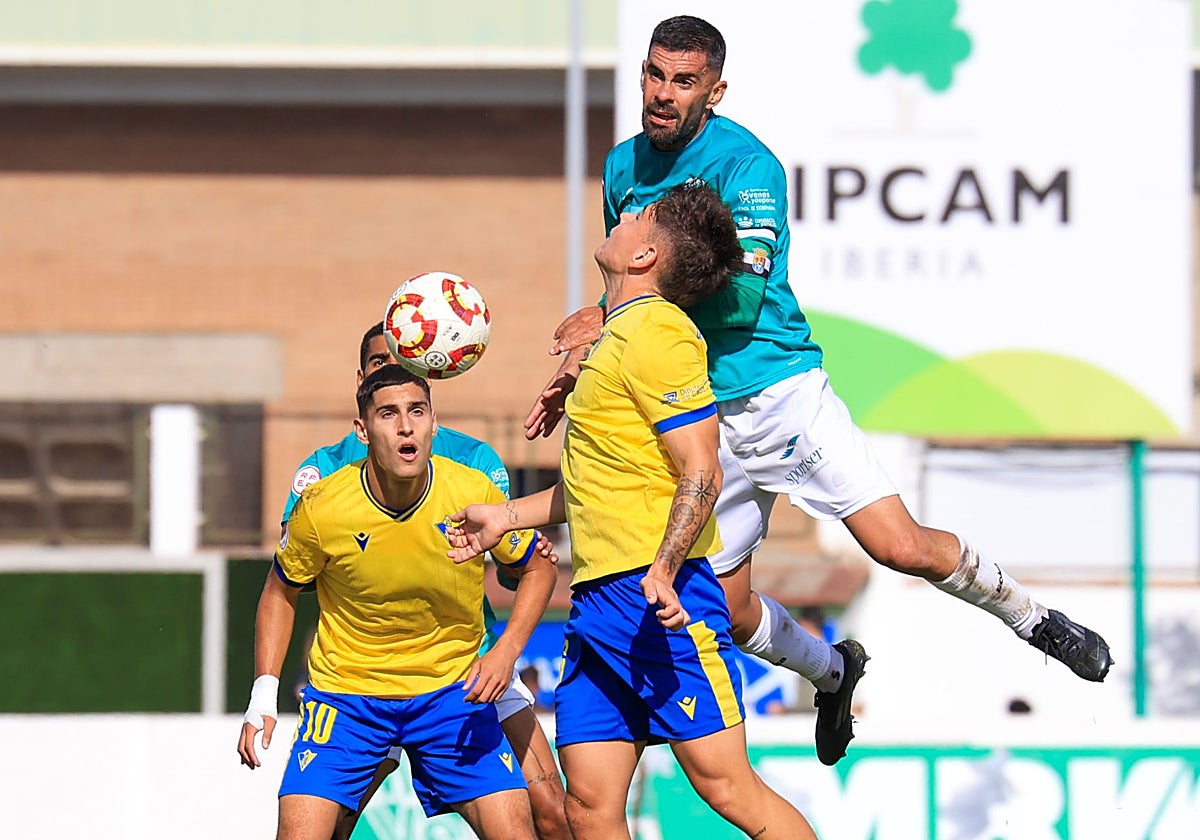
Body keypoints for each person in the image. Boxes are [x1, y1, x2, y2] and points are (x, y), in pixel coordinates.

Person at [527, 14, 1112, 765]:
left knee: (901, 549)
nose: (663, 95)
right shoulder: (621, 169)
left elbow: (737, 298)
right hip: (697, 414)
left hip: (778, 392)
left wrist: (611, 311)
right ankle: (834, 673)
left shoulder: (749, 167)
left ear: (715, 90)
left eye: (683, 81)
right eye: (653, 75)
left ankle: (1032, 618)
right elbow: (633, 287)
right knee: (730, 612)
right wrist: (588, 355)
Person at [451, 183, 819, 839]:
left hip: (659, 598)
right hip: (597, 604)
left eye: (639, 215)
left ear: (645, 254)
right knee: (589, 808)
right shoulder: (613, 340)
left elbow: (702, 467)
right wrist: (507, 517)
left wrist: (663, 569)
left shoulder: (660, 334)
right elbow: (603, 485)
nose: (623, 216)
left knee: (731, 791)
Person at [238, 364, 559, 840]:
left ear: (433, 422)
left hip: (453, 691)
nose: (405, 426)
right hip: (348, 700)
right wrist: (262, 694)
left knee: (529, 825)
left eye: (416, 412)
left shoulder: (470, 489)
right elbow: (278, 591)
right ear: (362, 431)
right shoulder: (324, 505)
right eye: (388, 414)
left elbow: (540, 566)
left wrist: (506, 650)